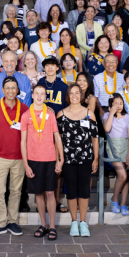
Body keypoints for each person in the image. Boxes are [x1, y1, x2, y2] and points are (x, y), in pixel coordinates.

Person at [0, 76, 30, 237]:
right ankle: (0, 223)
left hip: (19, 156)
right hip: (0, 156)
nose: (11, 91)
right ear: (2, 91)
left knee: (16, 191)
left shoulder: (24, 108)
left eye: (13, 88)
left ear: (18, 90)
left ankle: (12, 221)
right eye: (8, 88)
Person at [21, 84, 64, 240]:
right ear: (32, 95)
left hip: (50, 158)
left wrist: (61, 159)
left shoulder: (50, 114)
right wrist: (26, 164)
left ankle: (52, 226)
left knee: (50, 192)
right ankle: (43, 224)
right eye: (36, 93)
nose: (39, 96)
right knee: (38, 193)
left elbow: (57, 137)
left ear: (46, 96)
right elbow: (23, 142)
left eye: (42, 94)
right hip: (33, 159)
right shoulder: (26, 115)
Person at [56, 83, 99, 236]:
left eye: (77, 93)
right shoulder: (61, 114)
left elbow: (95, 139)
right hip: (68, 160)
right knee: (71, 192)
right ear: (68, 96)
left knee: (84, 192)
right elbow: (58, 139)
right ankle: (74, 222)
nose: (74, 95)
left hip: (86, 159)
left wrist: (95, 159)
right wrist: (58, 159)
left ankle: (83, 222)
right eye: (71, 93)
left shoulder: (89, 113)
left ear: (81, 95)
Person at [104, 93, 129, 216]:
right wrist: (111, 113)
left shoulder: (128, 117)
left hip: (126, 146)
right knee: (122, 175)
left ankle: (124, 204)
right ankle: (114, 199)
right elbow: (107, 129)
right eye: (115, 103)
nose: (118, 106)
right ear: (110, 105)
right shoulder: (107, 115)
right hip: (113, 147)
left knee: (127, 177)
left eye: (120, 103)